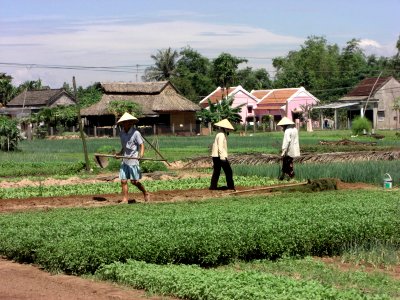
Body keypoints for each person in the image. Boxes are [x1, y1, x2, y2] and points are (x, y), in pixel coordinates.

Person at [116, 112, 150, 203]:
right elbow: (124, 146)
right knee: (123, 180)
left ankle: (145, 192)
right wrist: (119, 154)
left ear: (131, 123)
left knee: (134, 182)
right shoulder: (122, 133)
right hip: (125, 159)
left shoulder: (136, 133)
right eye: (124, 122)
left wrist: (141, 155)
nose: (125, 124)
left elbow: (142, 145)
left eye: (127, 122)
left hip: (133, 160)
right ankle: (125, 199)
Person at [209, 119, 236, 191]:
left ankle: (213, 187)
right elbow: (220, 147)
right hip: (220, 156)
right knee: (229, 171)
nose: (229, 130)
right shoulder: (221, 135)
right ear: (225, 128)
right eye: (228, 128)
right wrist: (222, 157)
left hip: (216, 156)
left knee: (217, 171)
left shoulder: (220, 133)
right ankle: (231, 187)